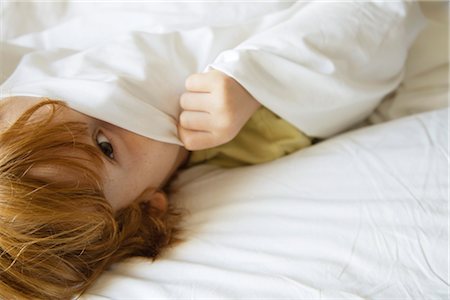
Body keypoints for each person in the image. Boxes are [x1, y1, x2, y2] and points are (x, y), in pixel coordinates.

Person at [0, 1, 425, 299]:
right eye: (105, 145)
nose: (98, 89)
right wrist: (259, 81)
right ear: (149, 206)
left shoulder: (29, 66)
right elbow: (374, 22)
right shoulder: (255, 131)